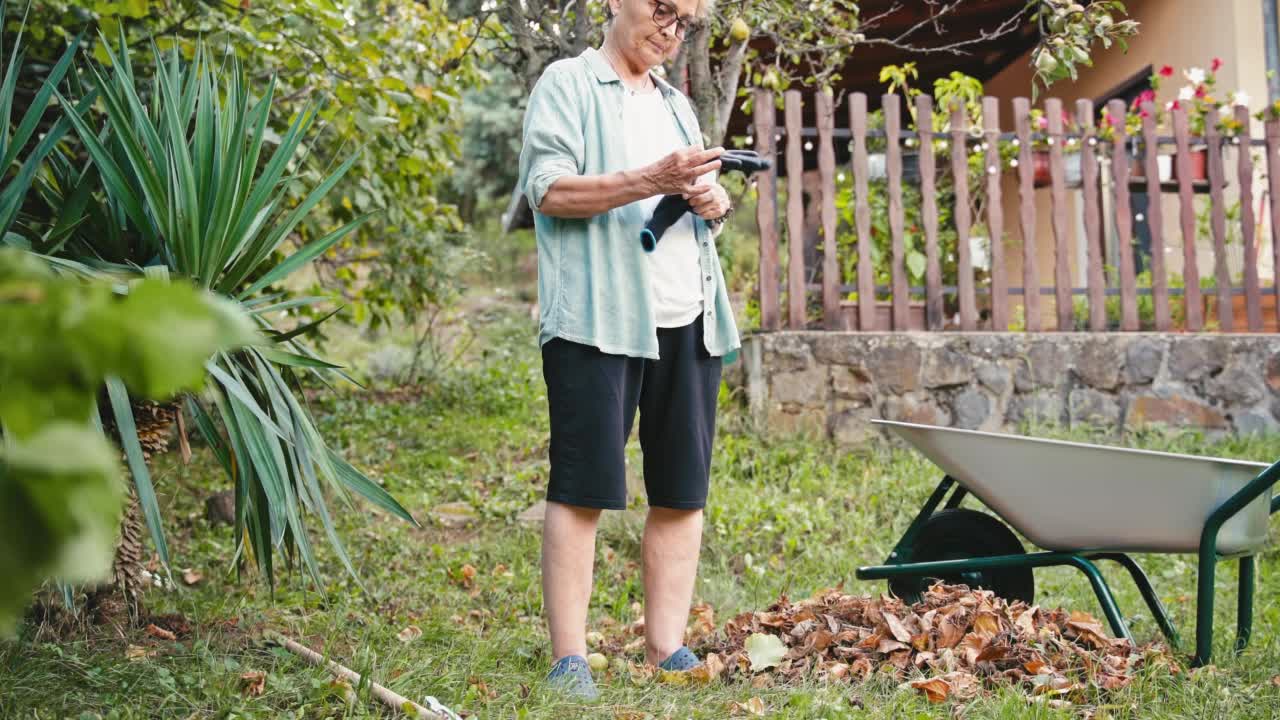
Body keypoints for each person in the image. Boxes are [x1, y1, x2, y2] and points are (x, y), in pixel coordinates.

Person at [516, 0, 740, 702]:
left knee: (682, 488)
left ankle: (666, 645)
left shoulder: (677, 104)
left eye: (686, 21)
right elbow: (547, 190)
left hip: (688, 315)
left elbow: (696, 194)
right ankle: (569, 656)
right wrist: (651, 180)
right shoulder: (569, 85)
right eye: (662, 10)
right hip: (598, 318)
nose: (672, 29)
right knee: (582, 487)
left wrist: (713, 201)